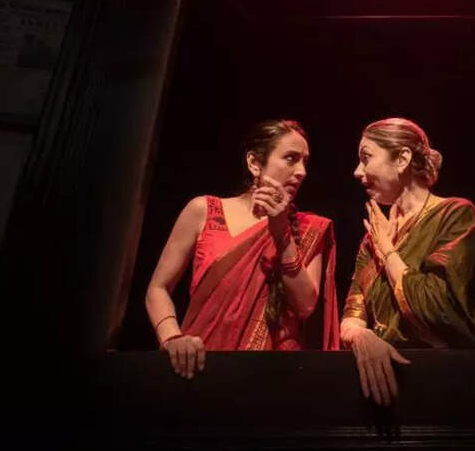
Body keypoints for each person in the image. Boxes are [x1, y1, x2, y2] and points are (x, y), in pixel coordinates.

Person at [145, 120, 339, 380]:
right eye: (291, 158)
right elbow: (158, 288)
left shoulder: (308, 229)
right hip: (199, 366)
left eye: (305, 162)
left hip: (271, 377)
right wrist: (172, 338)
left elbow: (305, 306)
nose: (301, 171)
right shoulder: (204, 211)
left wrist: (282, 235)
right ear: (254, 163)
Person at [341, 117, 475, 405]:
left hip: (451, 386)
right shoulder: (374, 236)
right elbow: (352, 313)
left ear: (402, 159)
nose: (357, 171)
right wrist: (361, 337)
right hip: (384, 386)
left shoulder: (455, 215)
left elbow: (435, 307)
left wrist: (388, 251)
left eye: (366, 158)